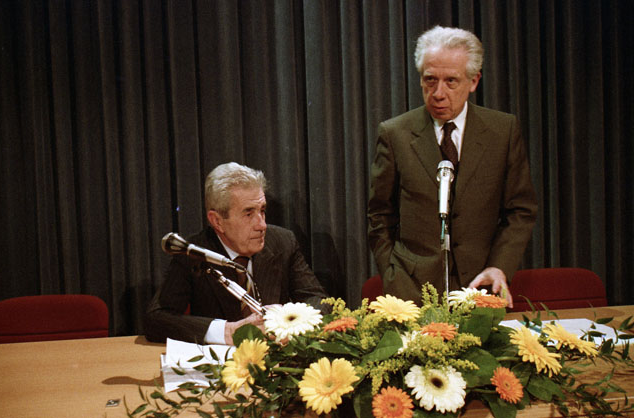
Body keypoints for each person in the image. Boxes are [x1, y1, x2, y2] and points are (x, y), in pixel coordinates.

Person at [367, 26, 537, 308]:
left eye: (451, 81)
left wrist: (499, 266)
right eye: (430, 80)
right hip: (412, 290)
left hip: (481, 287)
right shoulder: (395, 134)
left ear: (474, 81)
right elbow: (379, 215)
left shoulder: (502, 131)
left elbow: (521, 210)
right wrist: (392, 274)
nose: (438, 93)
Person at [145, 162, 329, 345]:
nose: (262, 225)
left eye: (262, 211)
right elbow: (156, 320)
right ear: (217, 221)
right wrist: (228, 331)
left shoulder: (283, 242)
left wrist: (290, 321)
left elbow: (319, 301)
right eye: (248, 214)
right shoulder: (193, 254)